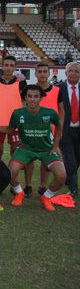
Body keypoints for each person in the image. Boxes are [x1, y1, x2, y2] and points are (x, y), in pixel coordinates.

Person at [0, 85, 65, 211]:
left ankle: (46, 197)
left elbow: (59, 125)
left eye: (36, 96)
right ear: (25, 97)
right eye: (29, 96)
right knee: (10, 172)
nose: (32, 99)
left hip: (46, 149)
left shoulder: (50, 112)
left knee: (61, 176)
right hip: (26, 149)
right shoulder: (18, 113)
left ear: (41, 98)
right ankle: (19, 193)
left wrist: (56, 145)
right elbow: (10, 129)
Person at [25, 62, 64, 196]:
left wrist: (59, 128)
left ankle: (42, 186)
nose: (42, 74)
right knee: (29, 159)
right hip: (31, 130)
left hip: (50, 132)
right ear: (35, 73)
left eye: (44, 71)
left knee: (45, 161)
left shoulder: (57, 90)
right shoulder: (30, 89)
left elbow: (61, 111)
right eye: (39, 71)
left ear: (49, 73)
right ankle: (28, 185)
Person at [0, 55, 26, 172]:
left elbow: (24, 100)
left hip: (15, 123)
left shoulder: (21, 82)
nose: (9, 68)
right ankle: (0, 172)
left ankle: (12, 173)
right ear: (2, 66)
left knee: (15, 150)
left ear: (15, 68)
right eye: (6, 65)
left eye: (11, 65)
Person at [59, 61, 80, 196]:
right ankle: (73, 189)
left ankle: (68, 178)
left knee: (77, 159)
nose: (73, 73)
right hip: (65, 131)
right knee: (70, 160)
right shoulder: (58, 89)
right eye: (71, 71)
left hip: (79, 131)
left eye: (76, 71)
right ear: (66, 73)